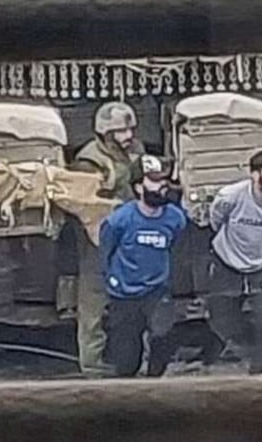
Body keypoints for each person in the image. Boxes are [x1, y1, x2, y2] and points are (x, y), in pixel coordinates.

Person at [207, 150, 262, 375]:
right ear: (255, 176)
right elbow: (216, 220)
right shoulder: (231, 197)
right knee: (222, 321)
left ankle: (258, 373)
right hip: (227, 263)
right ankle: (239, 348)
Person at [71, 101, 144, 374]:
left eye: (130, 130)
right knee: (93, 304)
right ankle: (92, 365)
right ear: (105, 132)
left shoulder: (136, 150)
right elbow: (84, 204)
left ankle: (134, 361)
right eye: (120, 131)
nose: (128, 137)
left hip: (133, 237)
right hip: (98, 239)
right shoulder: (89, 160)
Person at [99, 154, 187, 377]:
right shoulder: (119, 220)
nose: (162, 186)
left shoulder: (176, 218)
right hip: (124, 293)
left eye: (164, 180)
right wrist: (112, 279)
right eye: (155, 181)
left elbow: (177, 247)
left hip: (157, 290)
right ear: (139, 187)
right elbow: (106, 249)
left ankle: (154, 382)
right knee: (127, 359)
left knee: (164, 336)